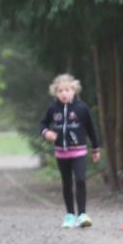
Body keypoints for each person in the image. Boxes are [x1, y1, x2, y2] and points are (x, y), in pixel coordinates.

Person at [38, 73, 101, 228]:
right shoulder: (53, 109)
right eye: (60, 91)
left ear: (74, 91)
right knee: (66, 182)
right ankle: (70, 215)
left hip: (79, 151)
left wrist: (95, 148)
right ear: (55, 93)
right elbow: (42, 124)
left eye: (67, 90)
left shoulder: (81, 108)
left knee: (80, 180)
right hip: (61, 153)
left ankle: (82, 214)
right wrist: (47, 133)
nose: (64, 93)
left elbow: (91, 128)